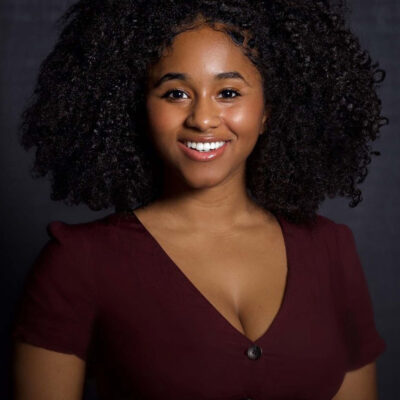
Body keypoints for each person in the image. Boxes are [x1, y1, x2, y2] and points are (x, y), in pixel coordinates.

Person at [11, 0, 388, 399]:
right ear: (136, 109)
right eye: (175, 93)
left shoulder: (330, 250)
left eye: (228, 92)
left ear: (267, 111)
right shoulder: (78, 263)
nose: (203, 118)